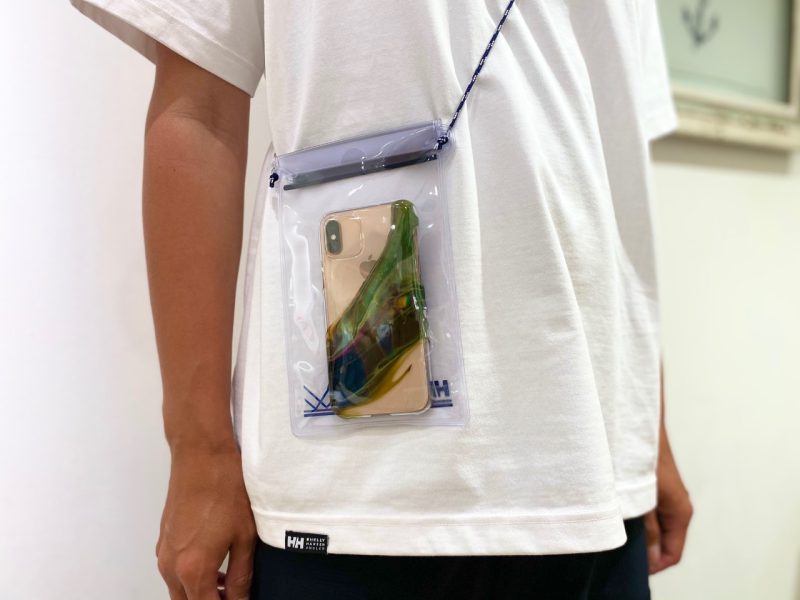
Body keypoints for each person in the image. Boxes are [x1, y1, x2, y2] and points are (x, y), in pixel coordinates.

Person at [71, 0, 693, 598]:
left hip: (595, 471)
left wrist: (648, 430)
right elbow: (199, 110)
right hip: (354, 500)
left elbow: (614, 148)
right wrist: (198, 450)